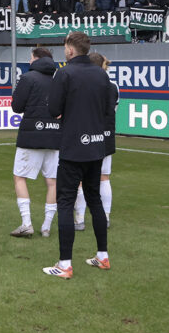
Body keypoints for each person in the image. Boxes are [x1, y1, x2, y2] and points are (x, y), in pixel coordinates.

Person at [43, 31, 113, 279]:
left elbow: (53, 109)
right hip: (96, 147)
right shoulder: (101, 74)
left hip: (73, 148)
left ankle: (64, 264)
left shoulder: (65, 73)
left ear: (71, 49)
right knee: (94, 200)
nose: (64, 51)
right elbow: (107, 109)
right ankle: (102, 256)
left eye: (65, 47)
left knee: (65, 202)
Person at [9, 47, 61, 238]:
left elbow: (16, 106)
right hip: (56, 136)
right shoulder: (59, 78)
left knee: (19, 177)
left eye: (31, 57)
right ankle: (46, 227)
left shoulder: (28, 78)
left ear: (36, 59)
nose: (29, 61)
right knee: (53, 182)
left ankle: (26, 223)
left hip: (32, 136)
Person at [74, 52, 119, 229]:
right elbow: (113, 110)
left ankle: (79, 219)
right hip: (105, 135)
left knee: (80, 179)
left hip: (85, 135)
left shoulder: (83, 82)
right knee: (103, 178)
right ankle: (105, 217)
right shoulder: (113, 85)